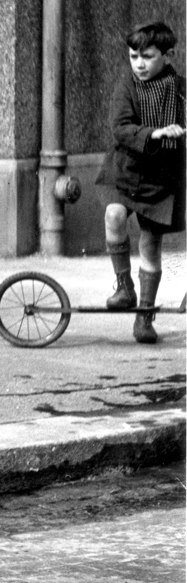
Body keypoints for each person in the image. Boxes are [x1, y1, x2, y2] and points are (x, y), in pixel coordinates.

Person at [95, 20, 185, 344]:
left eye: (147, 56)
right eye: (134, 57)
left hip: (161, 180)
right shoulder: (127, 86)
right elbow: (120, 127)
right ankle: (124, 287)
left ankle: (145, 315)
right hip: (127, 170)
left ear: (168, 54)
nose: (139, 64)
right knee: (114, 215)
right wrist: (154, 133)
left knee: (150, 244)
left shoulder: (180, 88)